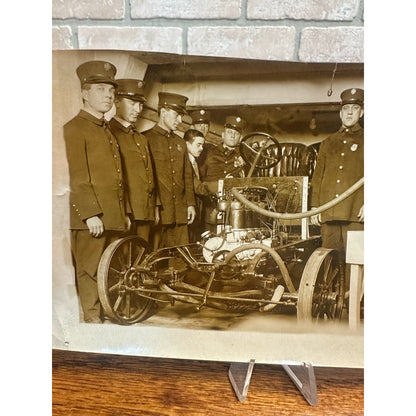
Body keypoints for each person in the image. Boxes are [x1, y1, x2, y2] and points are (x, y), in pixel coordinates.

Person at [63, 60, 131, 323]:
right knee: (90, 271)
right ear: (84, 93)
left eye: (111, 91)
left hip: (111, 216)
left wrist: (123, 213)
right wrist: (90, 214)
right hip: (90, 219)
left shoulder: (107, 130)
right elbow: (76, 177)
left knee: (108, 272)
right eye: (101, 89)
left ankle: (102, 316)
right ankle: (93, 323)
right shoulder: (74, 129)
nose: (109, 95)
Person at [310, 87, 364, 254]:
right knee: (328, 262)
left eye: (354, 109)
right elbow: (318, 177)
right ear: (340, 113)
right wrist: (315, 207)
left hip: (355, 213)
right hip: (329, 213)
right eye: (346, 109)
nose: (349, 113)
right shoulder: (328, 143)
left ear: (361, 113)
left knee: (355, 265)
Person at [142, 92, 196, 248]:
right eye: (176, 115)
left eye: (181, 116)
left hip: (179, 212)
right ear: (163, 112)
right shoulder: (145, 139)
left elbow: (187, 176)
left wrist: (190, 204)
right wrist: (154, 208)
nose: (180, 120)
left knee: (182, 261)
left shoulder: (180, 142)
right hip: (160, 214)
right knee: (156, 259)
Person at [109, 79, 159, 241]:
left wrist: (154, 208)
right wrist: (122, 211)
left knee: (141, 260)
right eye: (132, 103)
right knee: (121, 261)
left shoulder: (141, 138)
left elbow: (151, 175)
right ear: (116, 102)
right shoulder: (109, 133)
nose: (137, 110)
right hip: (126, 212)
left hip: (144, 211)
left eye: (140, 105)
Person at [199, 115, 247, 233]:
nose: (232, 135)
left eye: (236, 133)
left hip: (234, 210)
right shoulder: (207, 152)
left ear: (240, 138)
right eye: (229, 132)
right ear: (223, 135)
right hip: (209, 207)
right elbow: (198, 178)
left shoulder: (245, 157)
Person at [184, 129, 212, 242]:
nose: (201, 148)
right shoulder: (185, 162)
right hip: (187, 211)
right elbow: (197, 187)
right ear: (187, 144)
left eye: (203, 145)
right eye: (198, 145)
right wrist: (221, 185)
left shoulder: (195, 162)